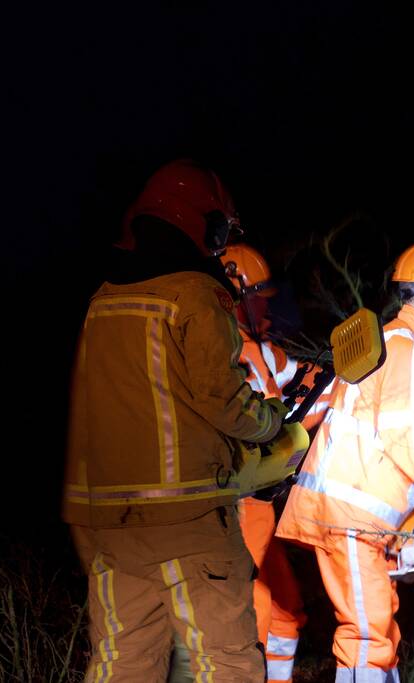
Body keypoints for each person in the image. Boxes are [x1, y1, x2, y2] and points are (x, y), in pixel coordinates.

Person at [63, 159, 288, 682]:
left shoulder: (104, 298)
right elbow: (223, 399)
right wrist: (271, 424)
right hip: (183, 518)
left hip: (102, 522)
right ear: (203, 224)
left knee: (123, 661)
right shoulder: (193, 295)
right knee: (226, 662)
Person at [276, 240, 414, 682]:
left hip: (357, 520)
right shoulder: (405, 351)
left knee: (375, 625)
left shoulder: (389, 344)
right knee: (368, 636)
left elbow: (386, 447)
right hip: (350, 518)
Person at [222, 242, 332, 683]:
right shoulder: (222, 351)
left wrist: (342, 375)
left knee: (286, 612)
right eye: (258, 298)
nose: (265, 307)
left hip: (262, 504)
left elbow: (300, 375)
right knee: (254, 614)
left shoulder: (260, 349)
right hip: (238, 503)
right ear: (237, 295)